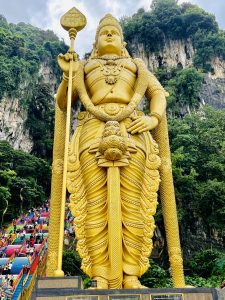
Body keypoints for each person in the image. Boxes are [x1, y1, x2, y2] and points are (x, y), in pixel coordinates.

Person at [56, 14, 167, 289]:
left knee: (133, 203)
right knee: (95, 204)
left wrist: (153, 118)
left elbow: (158, 93)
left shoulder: (135, 66)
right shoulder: (84, 66)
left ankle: (130, 274)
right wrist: (66, 76)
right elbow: (63, 102)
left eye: (113, 32)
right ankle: (101, 275)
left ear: (122, 41)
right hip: (93, 130)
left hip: (133, 130)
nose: (108, 35)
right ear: (94, 42)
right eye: (103, 32)